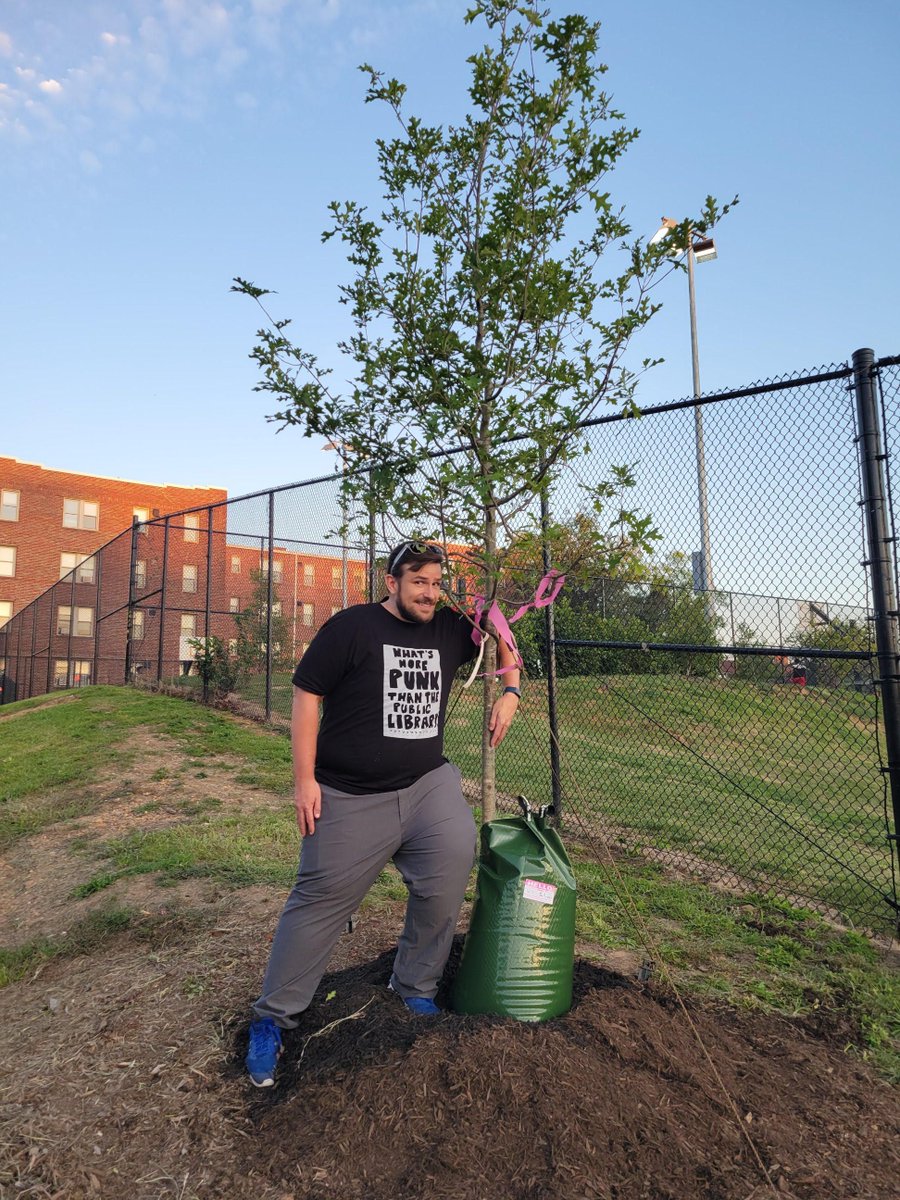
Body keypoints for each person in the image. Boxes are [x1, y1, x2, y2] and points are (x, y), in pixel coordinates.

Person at [245, 539, 521, 1086]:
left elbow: (498, 624)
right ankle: (273, 1019)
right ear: (390, 582)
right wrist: (304, 780)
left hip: (427, 786)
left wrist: (510, 689)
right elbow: (305, 695)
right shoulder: (352, 628)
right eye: (418, 581)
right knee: (318, 901)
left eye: (437, 583)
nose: (429, 592)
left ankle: (414, 987)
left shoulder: (447, 629)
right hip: (349, 795)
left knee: (451, 863)